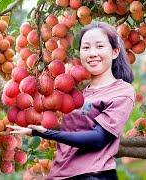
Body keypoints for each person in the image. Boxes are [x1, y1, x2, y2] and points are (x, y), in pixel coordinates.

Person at [8, 21, 135, 180]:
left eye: (100, 47)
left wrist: (49, 134)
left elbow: (98, 139)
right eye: (86, 47)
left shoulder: (122, 92)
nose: (92, 53)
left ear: (115, 52)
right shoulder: (80, 91)